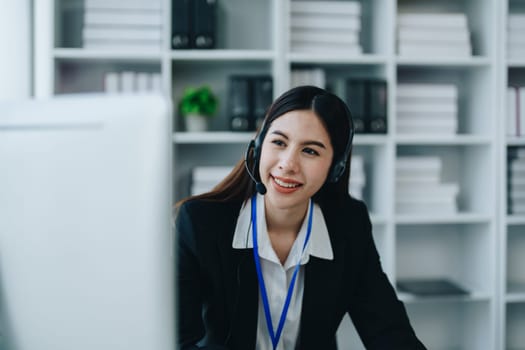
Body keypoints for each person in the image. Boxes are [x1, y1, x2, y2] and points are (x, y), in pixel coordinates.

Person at [175, 85, 426, 349]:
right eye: (279, 142)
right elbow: (178, 340)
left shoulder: (349, 226)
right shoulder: (201, 224)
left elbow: (390, 332)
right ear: (258, 147)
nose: (288, 164)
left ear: (335, 169)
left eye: (310, 151)